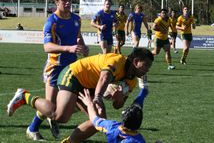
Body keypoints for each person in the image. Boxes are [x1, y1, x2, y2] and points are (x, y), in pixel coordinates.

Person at [7, 48, 154, 143]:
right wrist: (97, 98)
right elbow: (104, 78)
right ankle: (24, 96)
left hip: (90, 86)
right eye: (145, 65)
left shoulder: (132, 81)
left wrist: (119, 98)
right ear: (135, 61)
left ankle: (68, 142)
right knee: (59, 116)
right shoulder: (118, 61)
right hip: (74, 75)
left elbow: (118, 106)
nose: (147, 70)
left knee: (99, 119)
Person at [25, 0, 89, 141]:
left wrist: (83, 46)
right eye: (63, 1)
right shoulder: (52, 22)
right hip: (55, 67)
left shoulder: (76, 19)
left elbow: (77, 37)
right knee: (51, 107)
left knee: (78, 101)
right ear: (57, 2)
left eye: (69, 0)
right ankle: (32, 126)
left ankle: (52, 119)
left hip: (72, 67)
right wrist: (68, 48)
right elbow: (47, 47)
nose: (67, 3)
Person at [78, 87, 148, 143]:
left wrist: (89, 104)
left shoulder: (111, 127)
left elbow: (94, 119)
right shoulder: (139, 140)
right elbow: (136, 106)